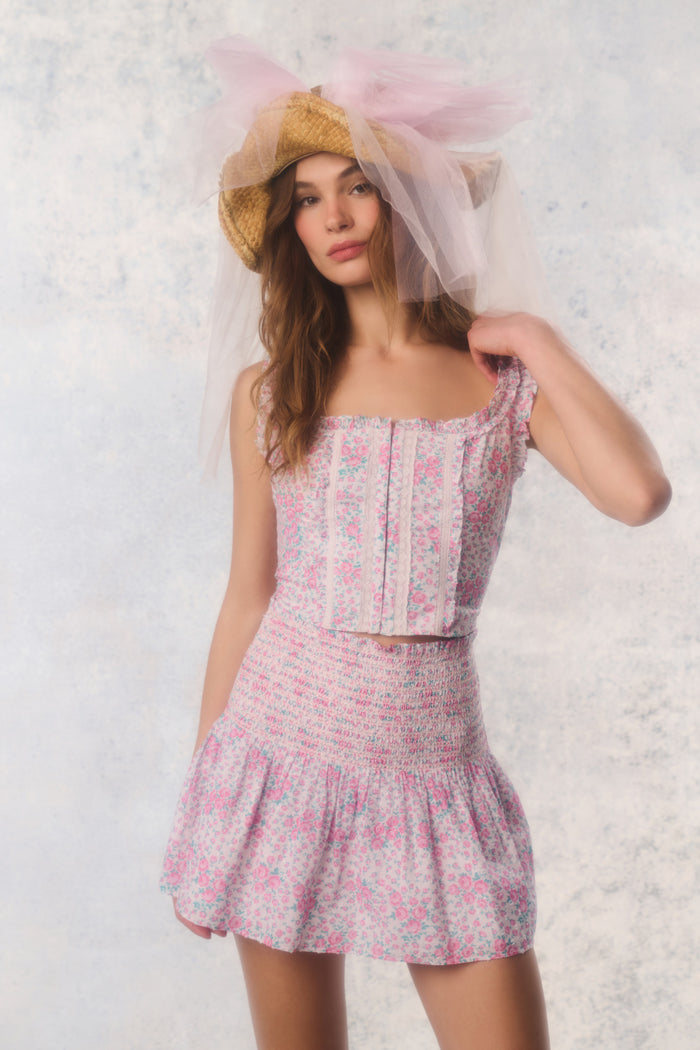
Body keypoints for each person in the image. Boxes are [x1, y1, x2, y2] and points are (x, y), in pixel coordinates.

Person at [160, 38, 671, 1050]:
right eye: (306, 199)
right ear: (290, 227)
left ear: (408, 203)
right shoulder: (272, 392)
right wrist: (208, 800)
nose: (334, 217)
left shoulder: (500, 384)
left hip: (436, 780)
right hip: (280, 760)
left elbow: (639, 493)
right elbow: (248, 596)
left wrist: (537, 341)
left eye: (358, 187)